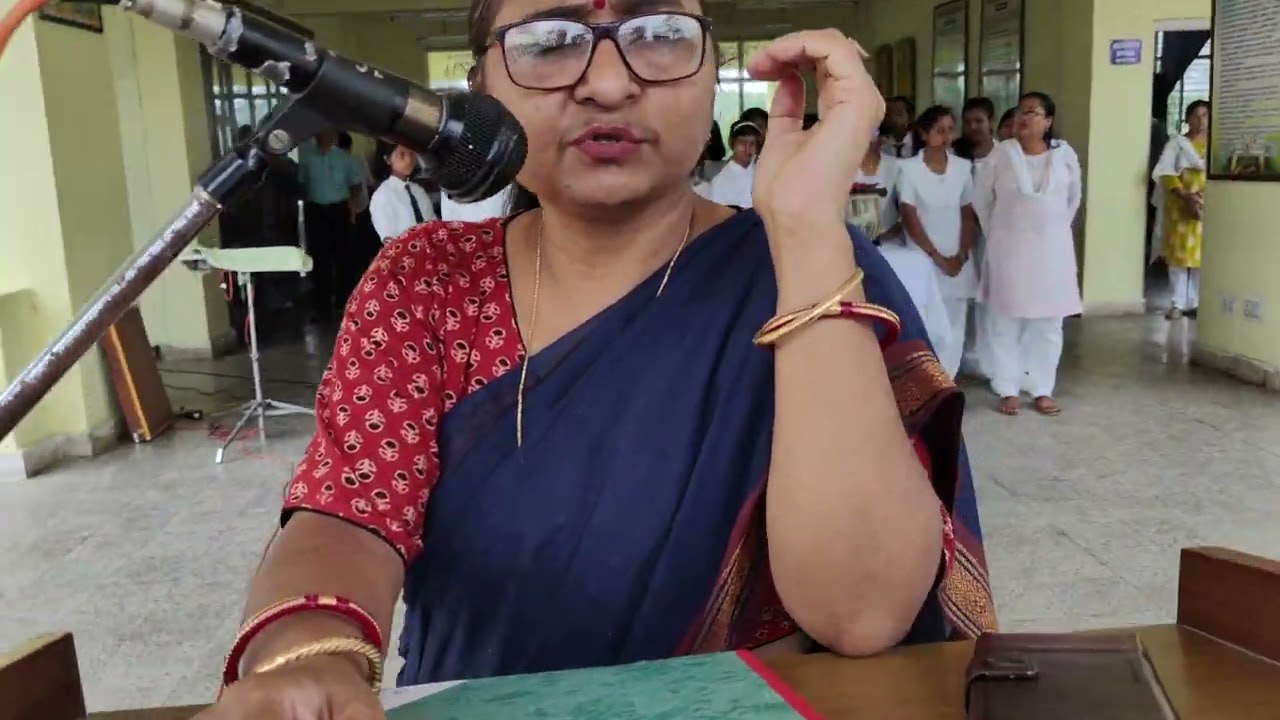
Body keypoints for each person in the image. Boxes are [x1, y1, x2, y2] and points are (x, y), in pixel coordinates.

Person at [197, 4, 995, 716]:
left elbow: (860, 614)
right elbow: (349, 513)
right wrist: (311, 655)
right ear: (480, 90)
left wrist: (807, 227)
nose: (608, 85)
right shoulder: (426, 279)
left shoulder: (811, 261)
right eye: (550, 42)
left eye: (658, 36)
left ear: (713, 68)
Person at [973, 92, 1082, 417]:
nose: (1023, 117)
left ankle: (1041, 388)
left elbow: (1073, 200)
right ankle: (1008, 387)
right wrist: (1001, 232)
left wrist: (1050, 230)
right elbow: (982, 200)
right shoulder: (1000, 155)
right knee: (1006, 319)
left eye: (1032, 112)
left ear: (1048, 121)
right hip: (1009, 248)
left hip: (1052, 252)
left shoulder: (1064, 156)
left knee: (1048, 323)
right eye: (1021, 111)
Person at [897, 106, 978, 378]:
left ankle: (948, 377)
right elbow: (909, 216)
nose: (945, 136)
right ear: (923, 133)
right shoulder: (908, 169)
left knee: (956, 319)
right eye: (939, 130)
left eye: (949, 130)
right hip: (923, 256)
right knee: (926, 317)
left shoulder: (962, 168)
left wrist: (962, 253)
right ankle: (927, 377)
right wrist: (936, 256)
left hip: (957, 254)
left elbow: (968, 213)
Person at [858, 131, 952, 356]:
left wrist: (888, 233)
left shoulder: (897, 166)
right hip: (853, 246)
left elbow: (907, 207)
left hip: (892, 247)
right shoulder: (839, 167)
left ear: (880, 138)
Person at [297, 128, 364, 320]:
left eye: (328, 133)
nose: (324, 136)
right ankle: (321, 306)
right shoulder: (307, 158)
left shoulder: (343, 158)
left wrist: (351, 207)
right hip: (316, 211)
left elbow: (356, 185)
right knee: (319, 259)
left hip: (339, 209)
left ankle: (344, 302)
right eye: (321, 133)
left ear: (333, 136)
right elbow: (302, 184)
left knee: (344, 258)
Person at [953, 97, 997, 378]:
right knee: (962, 294)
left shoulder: (1004, 155)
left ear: (990, 122)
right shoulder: (955, 155)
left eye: (979, 121)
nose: (973, 128)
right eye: (968, 122)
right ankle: (962, 355)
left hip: (995, 235)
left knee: (991, 297)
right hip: (960, 232)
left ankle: (990, 360)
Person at [1151, 100, 1209, 320]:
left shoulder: (1214, 147)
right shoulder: (1177, 144)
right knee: (1178, 257)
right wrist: (1185, 196)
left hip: (1205, 206)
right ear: (1187, 118)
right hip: (1180, 205)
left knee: (1200, 257)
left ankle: (1194, 303)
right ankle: (1177, 303)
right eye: (1195, 115)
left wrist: (1201, 197)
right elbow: (1165, 172)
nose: (1200, 120)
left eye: (1205, 115)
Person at [369, 141, 438, 243]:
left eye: (412, 153)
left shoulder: (418, 190)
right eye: (402, 154)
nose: (409, 159)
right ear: (387, 159)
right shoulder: (381, 196)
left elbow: (434, 223)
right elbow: (389, 241)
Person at [708, 120, 761, 207]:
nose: (747, 148)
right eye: (742, 143)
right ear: (732, 144)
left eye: (752, 143)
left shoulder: (761, 171)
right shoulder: (721, 181)